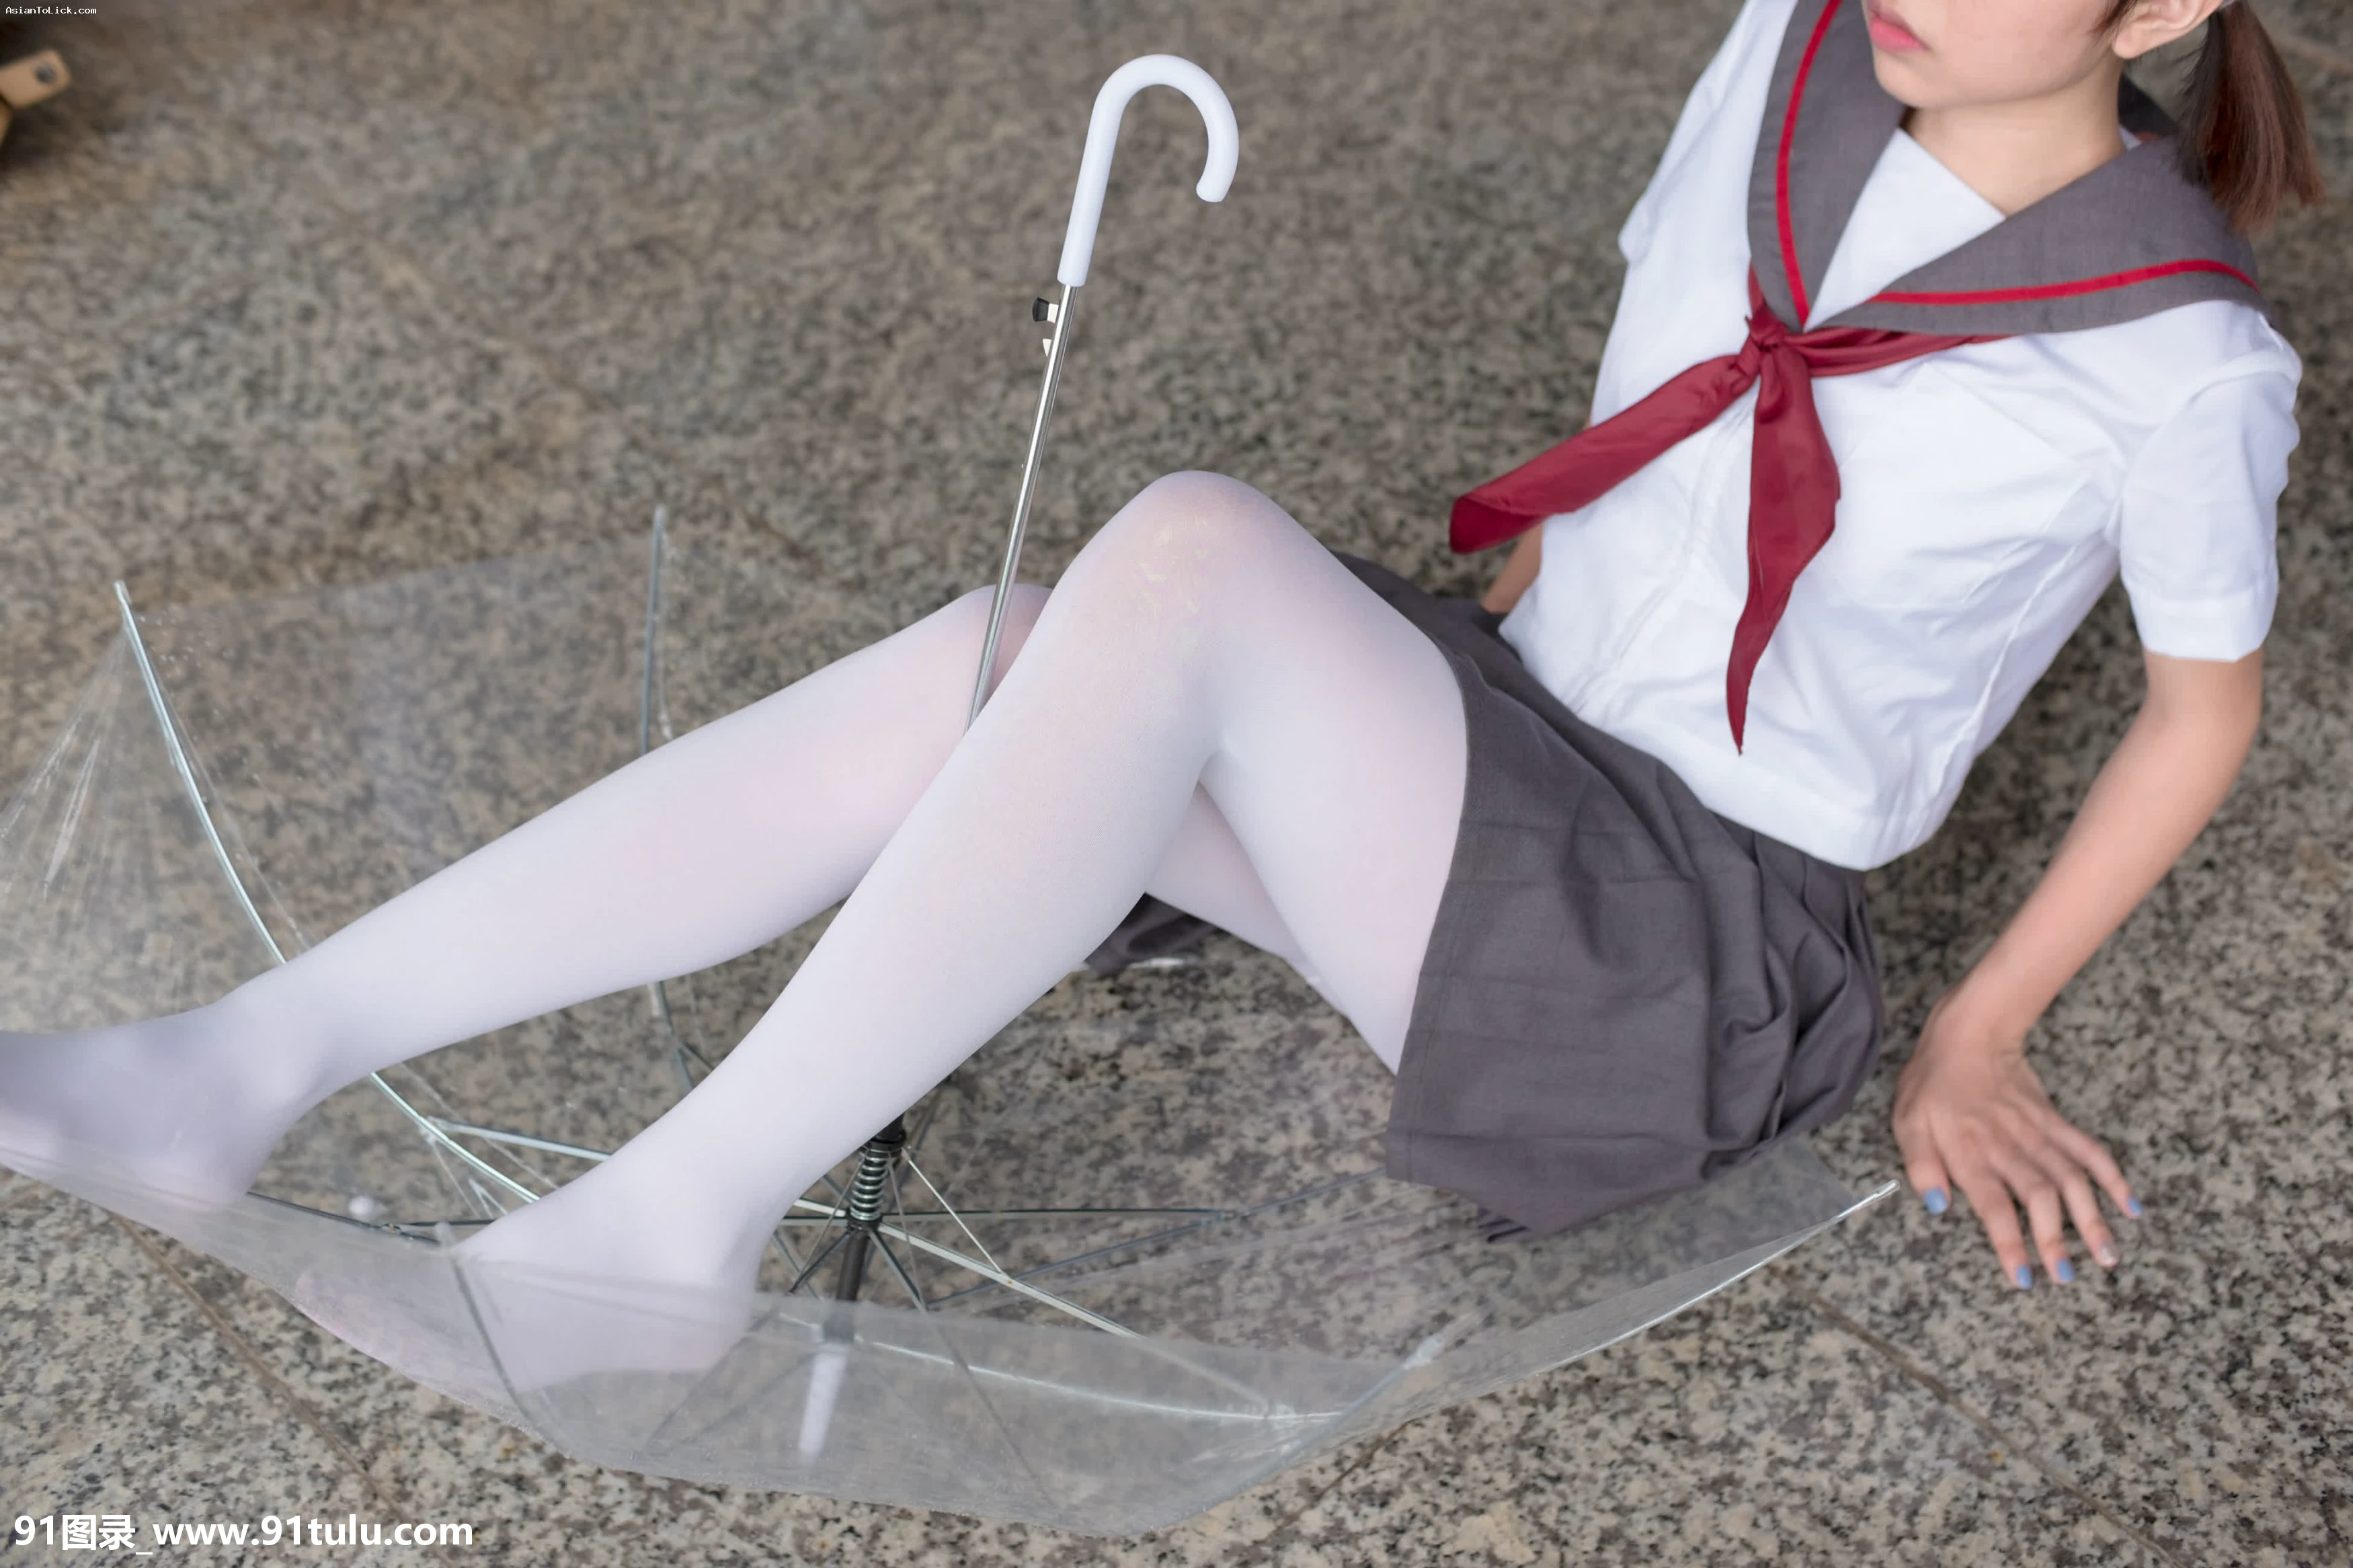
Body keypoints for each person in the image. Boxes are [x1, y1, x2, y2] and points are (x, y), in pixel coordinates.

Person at [0, 0, 2321, 1375]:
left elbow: (2195, 710)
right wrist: (1514, 627)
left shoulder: (2179, 360)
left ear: (2156, 7)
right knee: (1006, 652)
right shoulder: (1794, 43)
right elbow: (1675, 383)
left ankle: (664, 1232)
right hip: (1496, 747)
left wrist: (1972, 1028)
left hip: (1683, 950)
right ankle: (241, 1060)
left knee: (1192, 548)